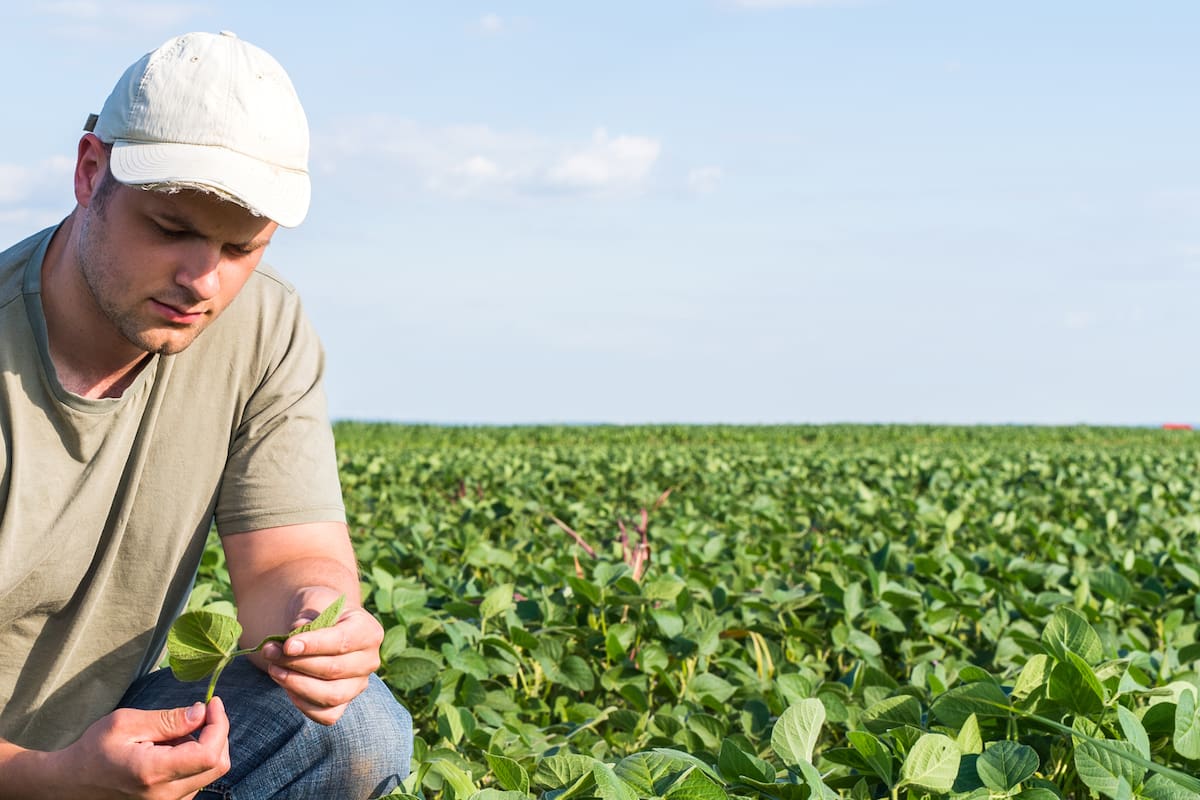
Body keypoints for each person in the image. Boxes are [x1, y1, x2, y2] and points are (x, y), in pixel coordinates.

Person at [0, 30, 413, 799]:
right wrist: (54, 780)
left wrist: (315, 621)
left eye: (240, 247)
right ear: (91, 172)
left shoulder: (263, 326)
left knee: (352, 731)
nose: (204, 281)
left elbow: (291, 564)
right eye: (172, 230)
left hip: (108, 738)